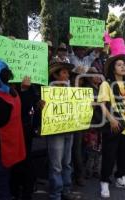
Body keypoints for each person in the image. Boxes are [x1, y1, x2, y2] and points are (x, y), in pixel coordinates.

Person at [98, 54, 125, 198]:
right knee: (109, 155)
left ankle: (121, 178)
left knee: (123, 155)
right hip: (112, 126)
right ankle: (104, 182)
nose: (123, 67)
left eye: (124, 65)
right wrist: (112, 119)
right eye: (119, 65)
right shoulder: (106, 84)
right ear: (113, 69)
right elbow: (102, 104)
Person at [45, 62, 79, 200]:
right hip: (55, 132)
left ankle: (66, 190)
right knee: (57, 165)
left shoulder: (71, 91)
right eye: (64, 73)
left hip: (69, 130)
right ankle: (55, 195)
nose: (67, 76)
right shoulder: (47, 91)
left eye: (68, 73)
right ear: (55, 75)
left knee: (66, 163)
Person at [0, 60, 26, 200]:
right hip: (10, 148)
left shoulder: (1, 100)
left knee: (1, 184)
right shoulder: (13, 93)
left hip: (2, 149)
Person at [10, 76, 39, 200]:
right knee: (15, 162)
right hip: (12, 130)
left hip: (26, 129)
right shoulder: (8, 88)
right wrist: (22, 90)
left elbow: (31, 106)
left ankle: (26, 190)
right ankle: (15, 190)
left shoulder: (33, 87)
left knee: (25, 159)